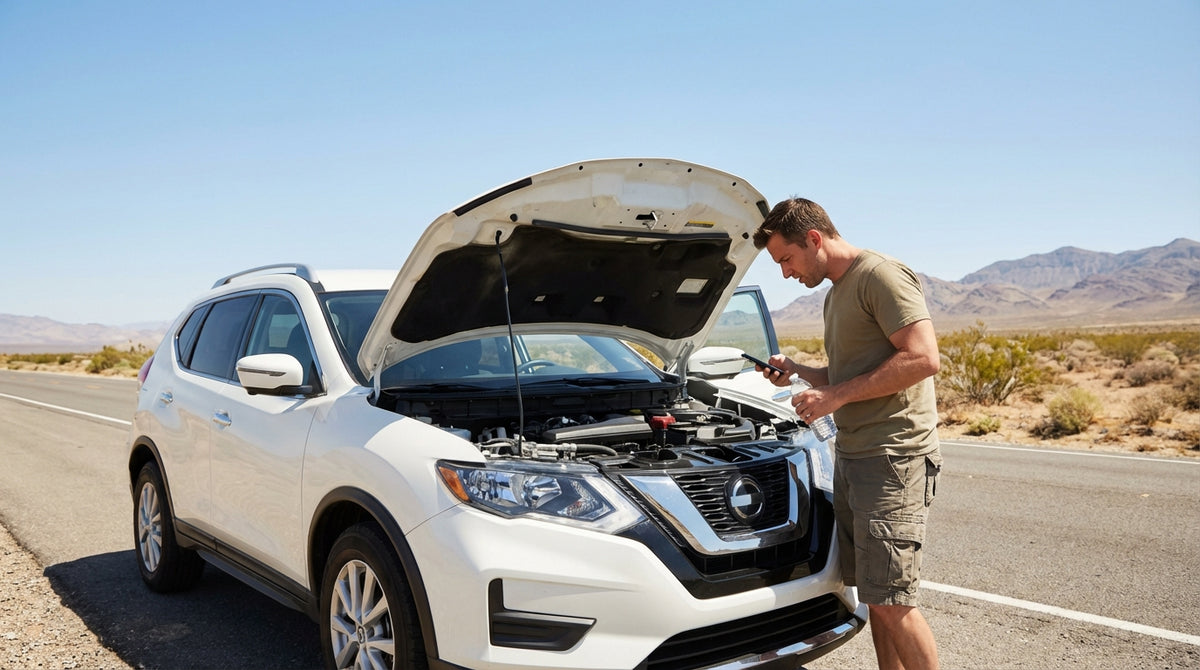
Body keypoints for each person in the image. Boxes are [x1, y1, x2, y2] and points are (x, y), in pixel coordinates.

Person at [751, 198, 943, 670]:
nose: (785, 273)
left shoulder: (880, 276)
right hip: (855, 456)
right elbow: (849, 374)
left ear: (814, 239)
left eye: (786, 259)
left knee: (895, 601)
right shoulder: (837, 292)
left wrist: (834, 398)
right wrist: (800, 373)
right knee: (875, 597)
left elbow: (923, 358)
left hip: (893, 457)